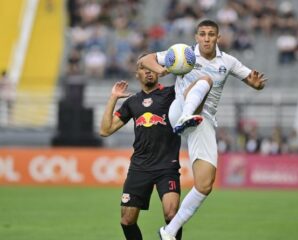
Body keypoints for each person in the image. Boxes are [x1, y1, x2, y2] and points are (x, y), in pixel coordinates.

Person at [139, 19, 266, 240]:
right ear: (196, 37)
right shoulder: (183, 54)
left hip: (203, 121)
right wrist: (161, 69)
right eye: (202, 34)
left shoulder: (228, 61)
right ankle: (187, 115)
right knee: (205, 79)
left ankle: (168, 232)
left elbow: (253, 80)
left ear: (218, 37)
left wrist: (257, 85)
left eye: (211, 34)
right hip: (179, 112)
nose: (206, 38)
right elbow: (144, 59)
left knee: (205, 185)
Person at [99, 54, 183, 240]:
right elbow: (105, 130)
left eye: (152, 68)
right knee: (127, 220)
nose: (148, 72)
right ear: (137, 73)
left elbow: (189, 83)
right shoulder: (132, 102)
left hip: (166, 166)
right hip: (140, 166)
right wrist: (114, 97)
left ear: (159, 72)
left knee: (172, 215)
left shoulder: (172, 94)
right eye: (144, 68)